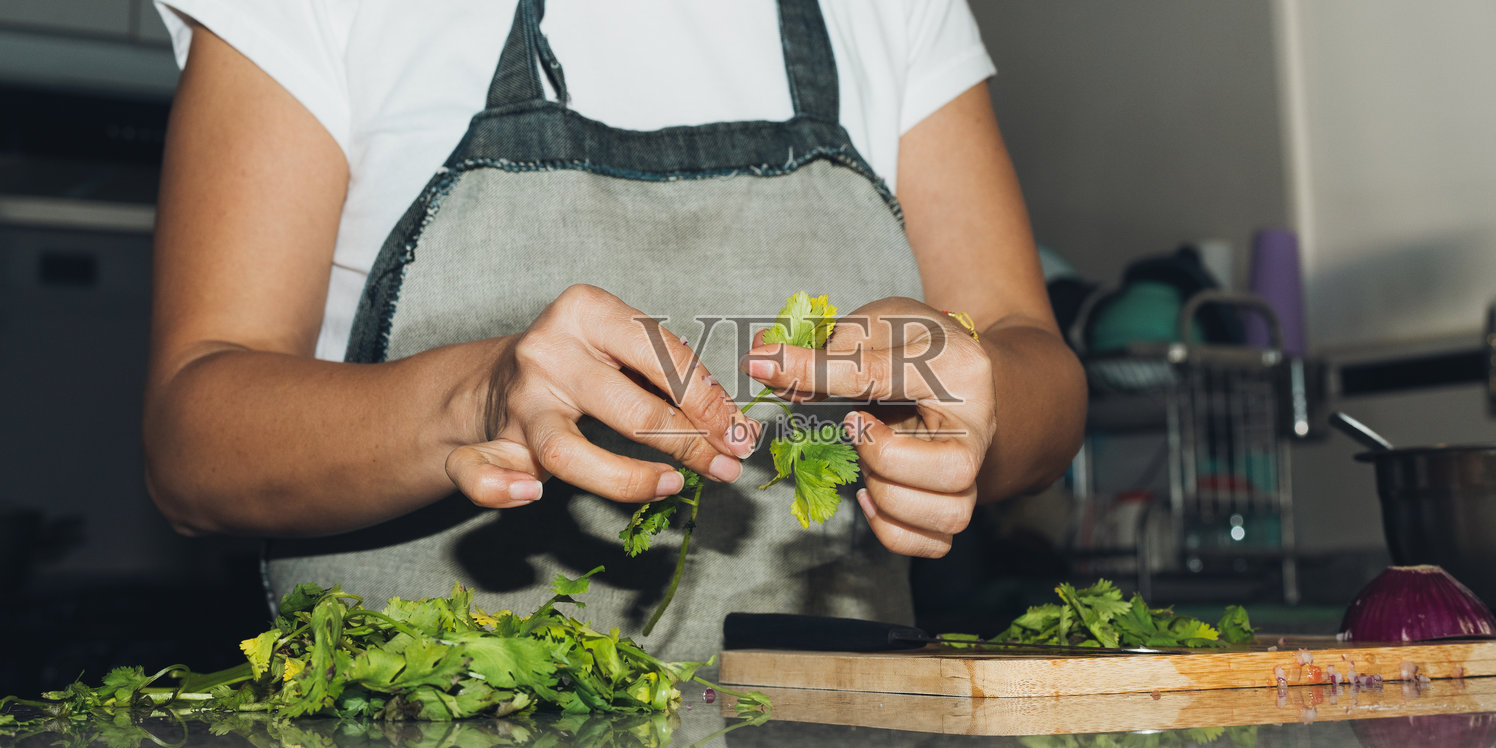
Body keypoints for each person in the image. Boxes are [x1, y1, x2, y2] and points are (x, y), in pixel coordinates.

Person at [144, 0, 1087, 662]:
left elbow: (1027, 354)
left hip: (828, 741)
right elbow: (191, 441)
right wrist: (472, 398)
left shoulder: (893, 9)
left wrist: (981, 403)